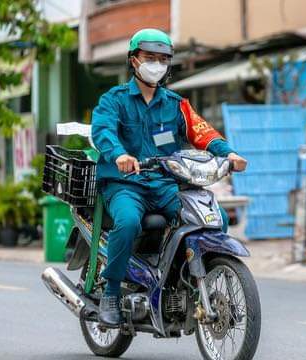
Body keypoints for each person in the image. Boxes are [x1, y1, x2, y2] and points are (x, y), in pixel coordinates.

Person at [91, 28, 247, 326]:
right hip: (126, 185)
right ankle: (111, 293)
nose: (157, 64)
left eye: (163, 59)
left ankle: (195, 283)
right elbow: (103, 131)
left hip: (165, 184)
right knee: (127, 223)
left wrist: (228, 154)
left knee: (215, 219)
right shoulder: (114, 100)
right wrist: (120, 155)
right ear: (134, 61)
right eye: (150, 58)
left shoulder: (176, 104)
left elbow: (202, 132)